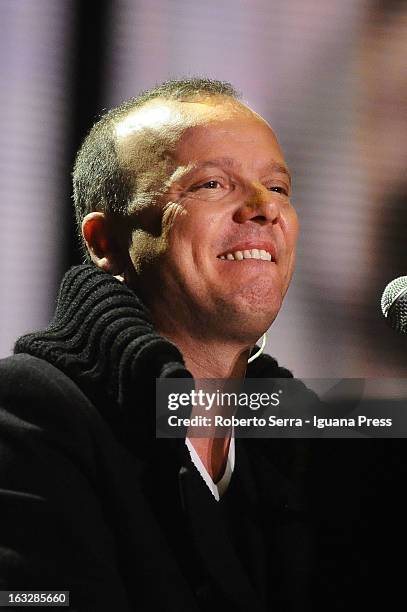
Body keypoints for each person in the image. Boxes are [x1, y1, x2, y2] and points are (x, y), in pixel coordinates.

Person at [0, 78, 401, 611]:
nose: (264, 208)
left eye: (278, 187)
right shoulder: (27, 414)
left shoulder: (310, 444)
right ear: (106, 242)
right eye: (212, 184)